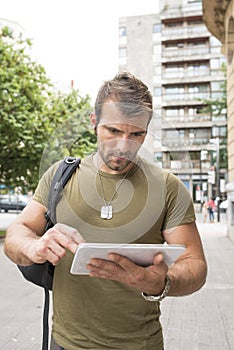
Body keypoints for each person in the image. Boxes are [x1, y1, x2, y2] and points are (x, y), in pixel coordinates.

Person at [4, 72, 207, 350]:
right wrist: (33, 247)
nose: (124, 146)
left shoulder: (167, 187)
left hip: (140, 344)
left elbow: (195, 264)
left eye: (136, 134)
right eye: (113, 131)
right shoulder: (60, 176)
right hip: (65, 342)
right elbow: (17, 232)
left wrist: (163, 282)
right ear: (94, 122)